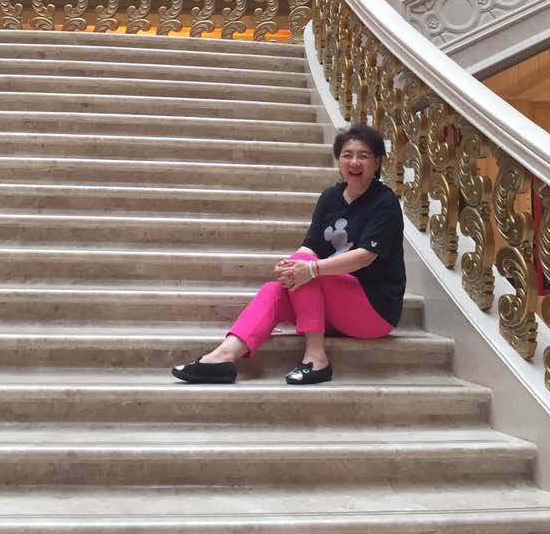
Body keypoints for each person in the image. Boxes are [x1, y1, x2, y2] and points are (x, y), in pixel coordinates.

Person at [171, 123, 406, 386]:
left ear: (377, 162)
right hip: (332, 309)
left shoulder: (384, 202)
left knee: (305, 268)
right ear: (338, 160)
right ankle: (223, 358)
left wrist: (309, 268)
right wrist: (289, 266)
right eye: (347, 155)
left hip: (373, 310)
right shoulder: (330, 197)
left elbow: (365, 257)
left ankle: (316, 358)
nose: (354, 162)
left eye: (363, 155)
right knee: (274, 289)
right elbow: (310, 246)